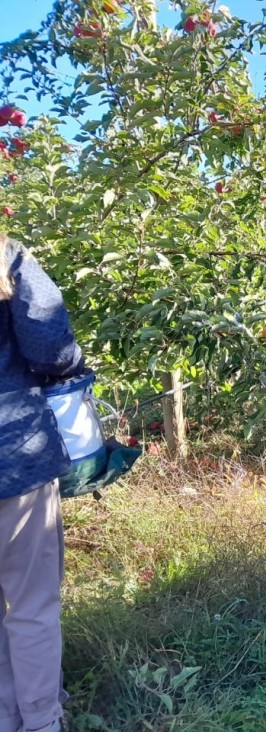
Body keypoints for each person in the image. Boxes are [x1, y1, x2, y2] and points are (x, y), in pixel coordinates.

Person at [1, 234, 86, 732]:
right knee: (31, 604)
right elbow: (51, 347)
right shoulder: (8, 257)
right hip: (14, 457)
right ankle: (40, 721)